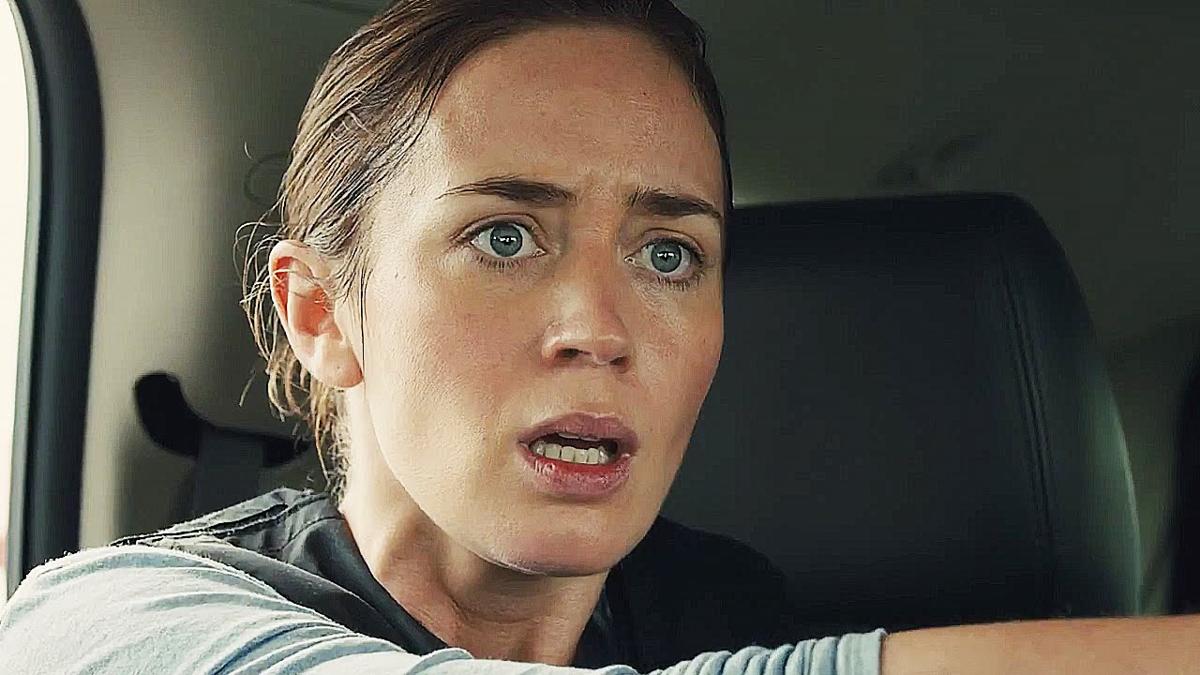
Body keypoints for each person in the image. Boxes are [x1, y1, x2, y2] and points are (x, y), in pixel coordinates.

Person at [1, 1, 1197, 673]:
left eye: (668, 254)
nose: (598, 329)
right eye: (504, 238)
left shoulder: (738, 608)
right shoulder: (109, 623)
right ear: (321, 313)